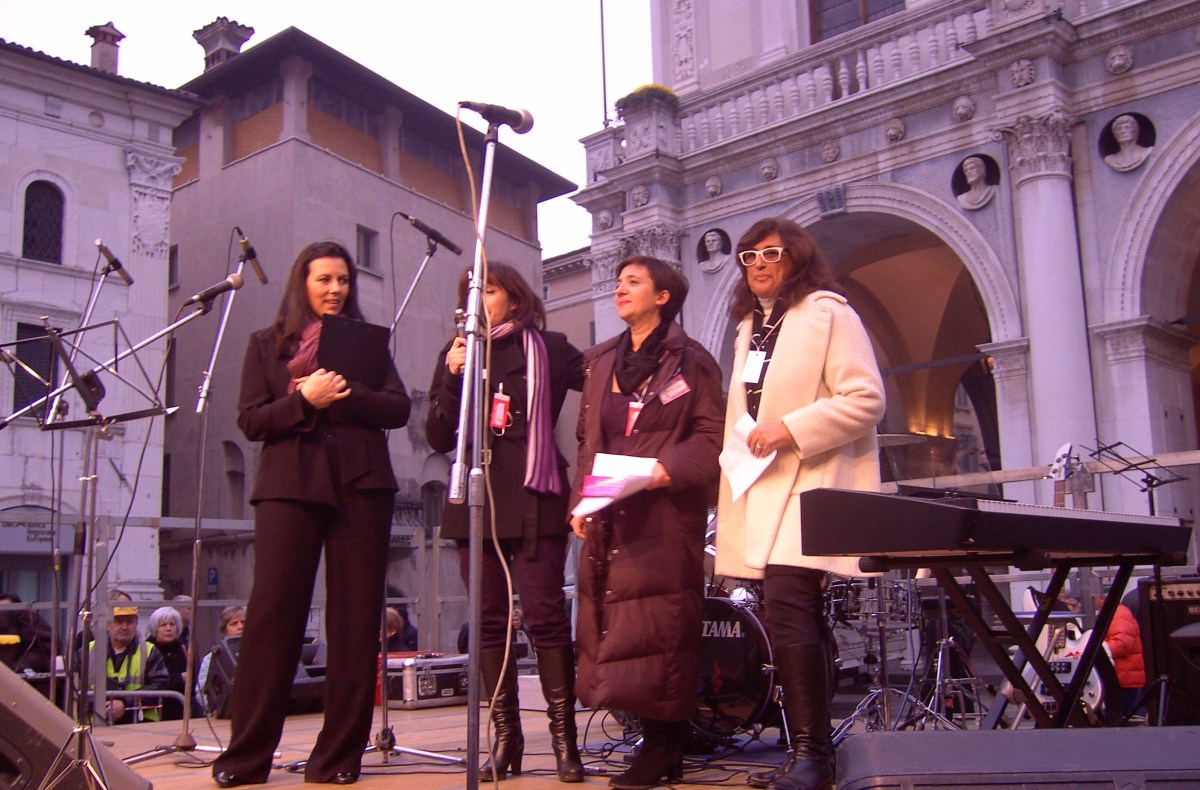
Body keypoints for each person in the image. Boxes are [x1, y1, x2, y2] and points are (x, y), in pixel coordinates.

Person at [211, 241, 411, 788]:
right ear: (303, 282)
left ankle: (339, 758)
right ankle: (245, 758)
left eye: (343, 280)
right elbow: (252, 420)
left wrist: (343, 394)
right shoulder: (266, 344)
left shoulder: (367, 343)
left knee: (354, 622)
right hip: (289, 487)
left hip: (361, 485)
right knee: (272, 618)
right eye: (324, 279)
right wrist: (304, 401)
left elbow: (397, 407)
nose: (335, 289)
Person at [715, 217, 885, 790]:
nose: (758, 265)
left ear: (797, 258)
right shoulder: (749, 327)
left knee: (789, 604)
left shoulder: (828, 313)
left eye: (771, 253)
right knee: (787, 611)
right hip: (762, 481)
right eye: (748, 257)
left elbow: (866, 399)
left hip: (813, 478)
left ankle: (813, 755)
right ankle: (808, 754)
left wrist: (789, 428)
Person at [569, 255, 725, 790]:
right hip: (610, 513)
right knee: (622, 631)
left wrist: (666, 469)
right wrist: (581, 502)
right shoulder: (600, 361)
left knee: (662, 629)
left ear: (662, 297)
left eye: (633, 282)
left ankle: (664, 743)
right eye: (618, 282)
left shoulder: (692, 361)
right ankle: (653, 741)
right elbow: (588, 440)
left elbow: (711, 438)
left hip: (664, 511)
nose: (620, 289)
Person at [425, 262, 585, 782]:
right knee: (488, 619)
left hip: (537, 495)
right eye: (469, 292)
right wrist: (453, 376)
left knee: (544, 614)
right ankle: (506, 736)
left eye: (487, 290)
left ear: (514, 299)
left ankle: (564, 741)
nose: (477, 300)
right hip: (477, 498)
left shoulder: (551, 348)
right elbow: (437, 436)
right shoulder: (458, 354)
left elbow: (605, 387)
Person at [87, 602, 169, 724]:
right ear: (108, 625)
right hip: (95, 724)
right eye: (119, 621)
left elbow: (160, 686)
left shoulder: (149, 651)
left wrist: (125, 703)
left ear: (136, 624)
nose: (124, 627)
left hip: (139, 725)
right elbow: (73, 689)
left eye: (129, 622)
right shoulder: (88, 651)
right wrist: (100, 704)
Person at [1095, 587, 1146, 718]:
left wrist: (1096, 653)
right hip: (1122, 677)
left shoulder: (1117, 614)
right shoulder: (1115, 613)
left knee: (1119, 719)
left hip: (1121, 678)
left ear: (1102, 598)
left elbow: (1122, 644)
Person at [198, 604, 246, 714]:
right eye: (234, 623)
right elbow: (202, 692)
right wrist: (218, 709)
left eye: (244, 622)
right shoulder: (212, 658)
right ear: (224, 630)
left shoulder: (260, 653)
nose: (240, 627)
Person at [146, 606, 188, 720]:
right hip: (153, 712)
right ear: (155, 628)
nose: (168, 629)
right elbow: (153, 683)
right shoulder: (148, 650)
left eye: (172, 624)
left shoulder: (182, 649)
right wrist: (179, 678)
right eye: (163, 625)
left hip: (179, 711)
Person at [0, 592, 54, 674]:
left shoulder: (29, 620)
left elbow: (45, 647)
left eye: (5, 609)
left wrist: (18, 667)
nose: (3, 614)